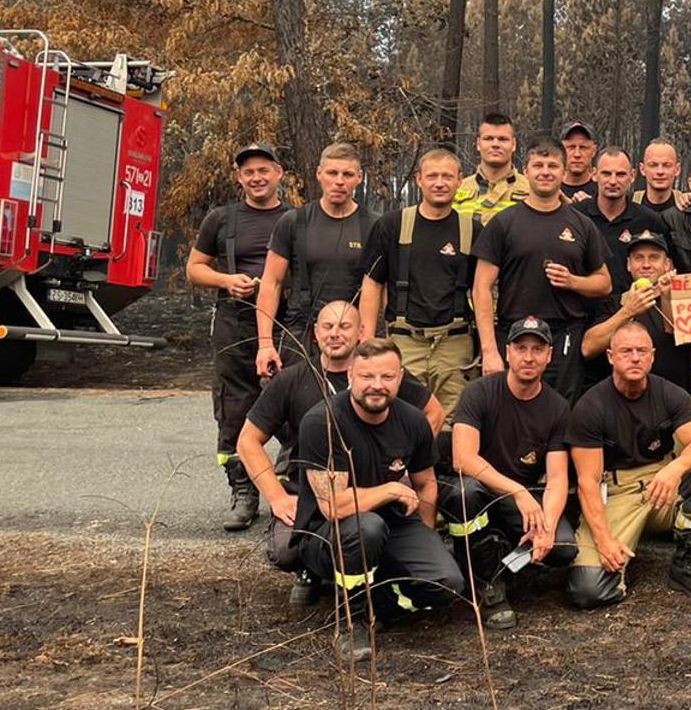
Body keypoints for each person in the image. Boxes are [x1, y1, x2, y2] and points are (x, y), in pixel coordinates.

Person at [238, 301, 442, 603]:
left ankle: (379, 573)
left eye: (345, 326)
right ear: (315, 333)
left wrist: (403, 466)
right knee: (285, 550)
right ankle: (313, 571)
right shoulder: (292, 380)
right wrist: (276, 496)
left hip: (378, 490)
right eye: (328, 327)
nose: (335, 334)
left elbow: (433, 413)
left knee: (373, 532)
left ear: (360, 332)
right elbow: (247, 441)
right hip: (313, 494)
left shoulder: (380, 374)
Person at [295, 338, 464, 660]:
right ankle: (352, 621)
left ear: (400, 378)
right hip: (329, 534)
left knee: (447, 584)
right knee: (366, 528)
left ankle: (380, 598)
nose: (377, 385)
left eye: (387, 377)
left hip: (394, 524)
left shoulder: (413, 420)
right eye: (367, 376)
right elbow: (334, 506)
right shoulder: (323, 422)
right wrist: (390, 490)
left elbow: (426, 483)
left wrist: (425, 535)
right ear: (350, 376)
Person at [567, 321, 691, 607]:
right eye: (626, 351)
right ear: (610, 357)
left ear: (652, 356)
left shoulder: (670, 393)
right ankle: (619, 553)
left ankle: (686, 565)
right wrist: (604, 540)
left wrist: (675, 469)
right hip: (617, 492)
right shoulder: (591, 406)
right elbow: (587, 483)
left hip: (662, 485)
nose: (635, 358)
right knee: (589, 590)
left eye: (642, 351)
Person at [437, 317, 577, 630]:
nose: (529, 357)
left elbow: (557, 479)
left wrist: (547, 525)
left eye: (537, 349)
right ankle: (488, 584)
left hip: (519, 501)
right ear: (508, 352)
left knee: (562, 548)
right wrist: (518, 491)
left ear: (549, 355)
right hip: (481, 489)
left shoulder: (557, 407)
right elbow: (463, 459)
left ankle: (501, 556)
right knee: (465, 493)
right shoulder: (478, 392)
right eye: (521, 348)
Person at [186, 143, 293, 531]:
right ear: (239, 177)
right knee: (234, 407)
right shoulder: (221, 219)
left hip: (287, 324)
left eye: (264, 170)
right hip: (234, 324)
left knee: (294, 405)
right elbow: (194, 268)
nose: (257, 178)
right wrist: (225, 280)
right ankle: (244, 492)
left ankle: (289, 488)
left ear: (279, 173)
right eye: (249, 172)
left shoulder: (296, 219)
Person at [473, 140, 614, 401]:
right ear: (526, 171)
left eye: (553, 166)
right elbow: (481, 287)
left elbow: (604, 283)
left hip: (564, 338)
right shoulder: (503, 222)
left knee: (561, 414)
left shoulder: (582, 224)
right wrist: (489, 349)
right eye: (538, 165)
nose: (545, 172)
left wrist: (573, 281)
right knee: (510, 412)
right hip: (515, 334)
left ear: (564, 172)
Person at [357, 148, 482, 415]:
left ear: (460, 180)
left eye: (447, 176)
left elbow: (482, 290)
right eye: (432, 176)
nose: (440, 183)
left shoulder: (472, 229)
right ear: (419, 179)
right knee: (402, 417)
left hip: (454, 344)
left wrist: (489, 348)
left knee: (453, 420)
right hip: (405, 342)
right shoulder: (391, 225)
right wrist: (367, 340)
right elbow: (372, 284)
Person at [255, 143, 379, 377]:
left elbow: (381, 289)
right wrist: (265, 344)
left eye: (347, 174)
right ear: (319, 174)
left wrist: (369, 342)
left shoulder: (374, 226)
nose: (339, 181)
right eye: (332, 173)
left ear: (359, 178)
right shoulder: (294, 221)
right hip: (301, 332)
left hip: (354, 336)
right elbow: (271, 283)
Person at [582, 230, 691, 391]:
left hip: (671, 397)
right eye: (638, 258)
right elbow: (588, 348)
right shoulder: (614, 303)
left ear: (667, 264)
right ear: (629, 265)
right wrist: (628, 311)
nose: (646, 265)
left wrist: (667, 298)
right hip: (622, 395)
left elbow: (686, 341)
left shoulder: (684, 300)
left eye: (654, 257)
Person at [574, 146, 669, 299]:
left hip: (635, 308)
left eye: (620, 174)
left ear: (632, 175)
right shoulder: (575, 216)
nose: (613, 181)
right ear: (594, 174)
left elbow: (666, 271)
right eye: (606, 174)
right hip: (583, 310)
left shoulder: (650, 220)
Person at [456, 113, 530, 222]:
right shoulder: (457, 190)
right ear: (478, 144)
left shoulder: (531, 192)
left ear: (514, 144)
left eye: (503, 139)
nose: (495, 144)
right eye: (488, 138)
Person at [558, 121, 600, 202]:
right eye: (571, 147)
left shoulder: (603, 192)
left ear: (594, 151)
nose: (577, 154)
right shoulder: (550, 189)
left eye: (583, 148)